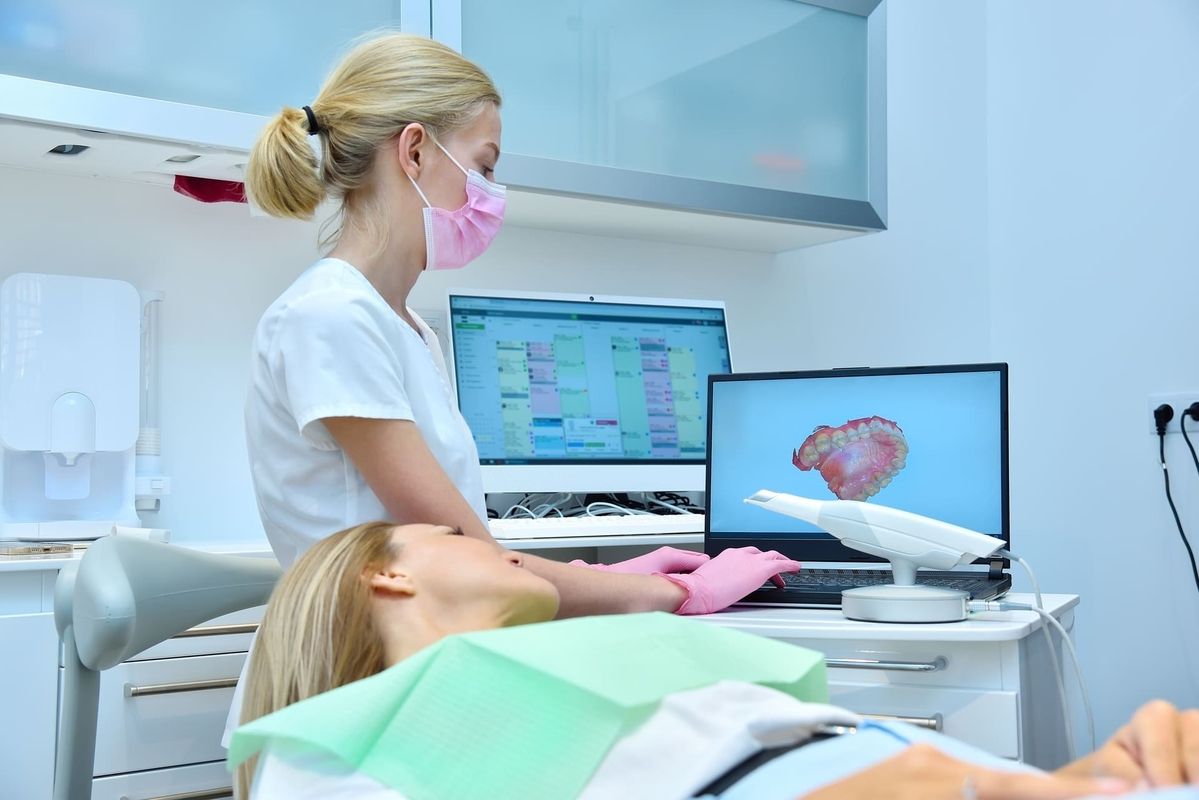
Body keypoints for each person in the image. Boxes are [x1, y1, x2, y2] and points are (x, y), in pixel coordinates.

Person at [240, 30, 798, 614]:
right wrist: (681, 591)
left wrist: (610, 573)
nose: (490, 194)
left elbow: (464, 549)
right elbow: (465, 560)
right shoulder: (330, 316)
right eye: (482, 166)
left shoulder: (403, 327)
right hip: (358, 673)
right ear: (414, 152)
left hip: (424, 645)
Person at [230, 521, 1199, 800]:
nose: (494, 539)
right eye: (449, 530)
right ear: (384, 579)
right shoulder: (327, 747)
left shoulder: (575, 667)